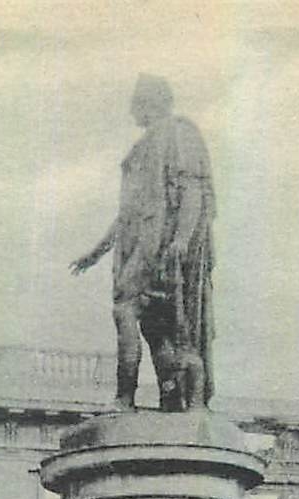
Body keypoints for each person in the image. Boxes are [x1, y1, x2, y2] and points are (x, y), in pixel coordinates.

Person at [70, 73, 215, 411]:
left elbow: (193, 190)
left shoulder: (179, 133)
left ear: (151, 102)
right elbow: (126, 214)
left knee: (126, 311)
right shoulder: (143, 148)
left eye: (137, 104)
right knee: (154, 328)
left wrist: (180, 239)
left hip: (158, 243)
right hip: (137, 243)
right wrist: (96, 252)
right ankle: (171, 398)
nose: (133, 112)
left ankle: (125, 397)